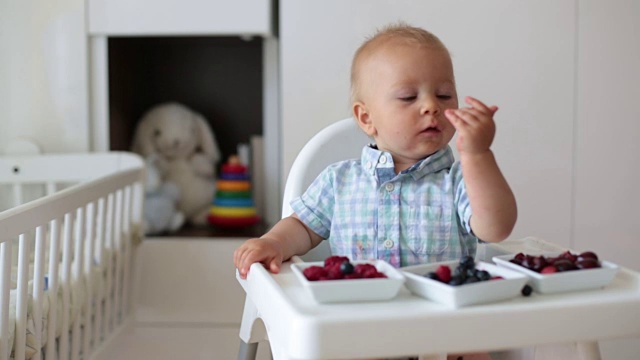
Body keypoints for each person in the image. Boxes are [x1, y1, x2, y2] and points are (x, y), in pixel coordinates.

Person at [235, 21, 516, 360]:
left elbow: (496, 226)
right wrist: (272, 243)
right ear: (366, 118)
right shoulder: (339, 181)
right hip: (358, 331)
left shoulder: (457, 181)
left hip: (444, 333)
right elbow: (303, 226)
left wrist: (477, 156)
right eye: (408, 97)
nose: (432, 106)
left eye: (444, 95)